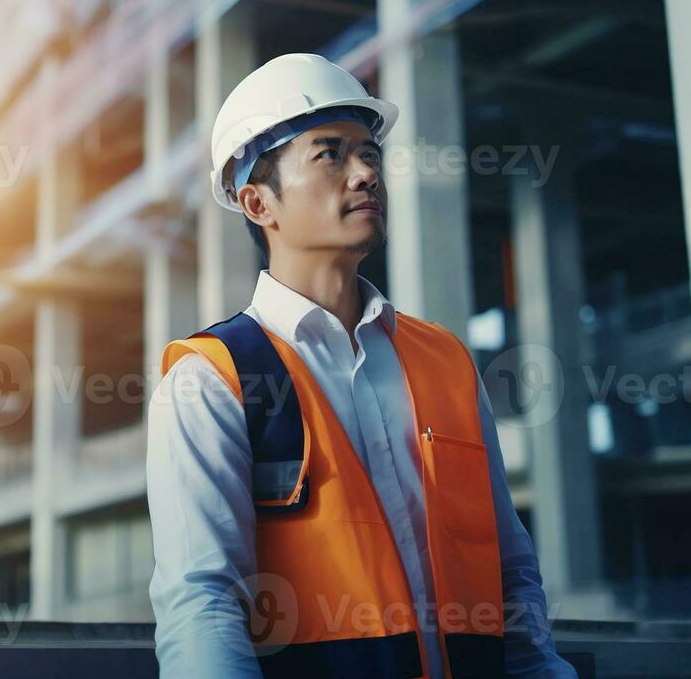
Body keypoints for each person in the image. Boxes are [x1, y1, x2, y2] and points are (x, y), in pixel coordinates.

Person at [146, 52, 575, 678]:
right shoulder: (212, 381)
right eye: (329, 154)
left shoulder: (445, 362)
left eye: (369, 154)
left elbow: (510, 572)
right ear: (258, 202)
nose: (365, 174)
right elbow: (202, 603)